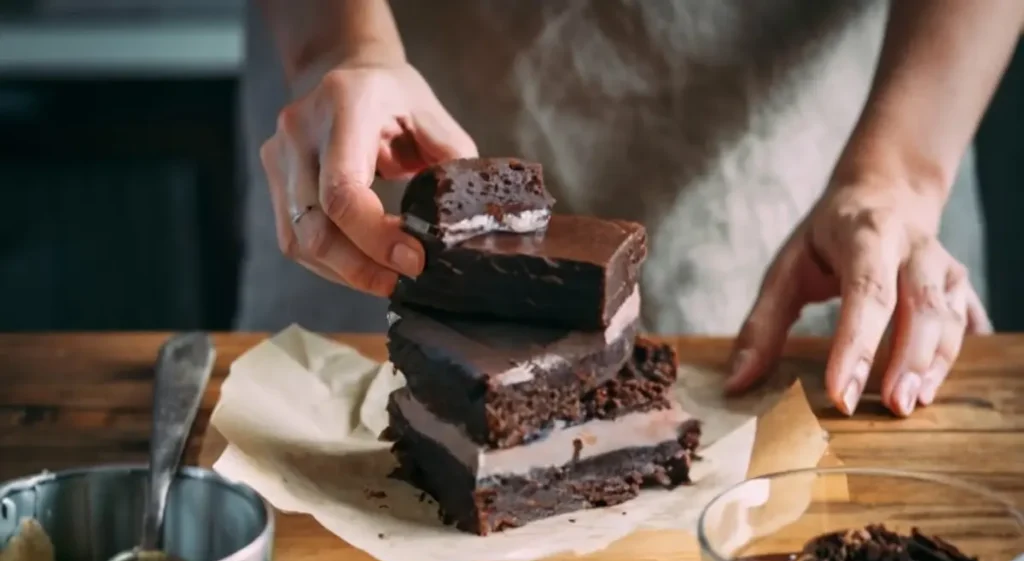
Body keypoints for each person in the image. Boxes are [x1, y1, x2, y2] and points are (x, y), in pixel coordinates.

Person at [237, 0, 1022, 418]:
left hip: (834, 151)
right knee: (391, 388)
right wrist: (338, 48)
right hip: (381, 156)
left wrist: (900, 173)